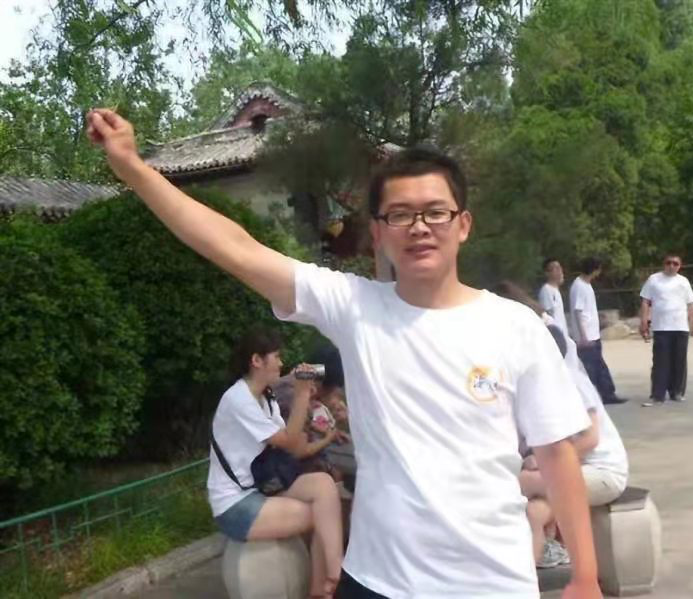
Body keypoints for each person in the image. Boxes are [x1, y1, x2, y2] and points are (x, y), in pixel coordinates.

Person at [87, 109, 602, 599]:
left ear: (463, 224)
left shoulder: (515, 326)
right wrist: (134, 168)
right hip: (377, 580)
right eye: (399, 215)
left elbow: (557, 455)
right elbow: (237, 248)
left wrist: (585, 575)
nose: (419, 227)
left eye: (435, 212)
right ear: (377, 233)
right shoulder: (355, 307)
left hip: (491, 582)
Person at [494, 282, 628, 569]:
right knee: (532, 511)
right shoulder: (522, 382)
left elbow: (590, 438)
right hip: (571, 469)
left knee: (506, 484)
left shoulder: (567, 378)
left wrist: (539, 460)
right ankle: (537, 563)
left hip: (601, 471)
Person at [207, 327, 343, 598]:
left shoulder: (265, 398)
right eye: (277, 356)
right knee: (321, 516)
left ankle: (328, 581)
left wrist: (305, 403)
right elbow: (291, 441)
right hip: (234, 504)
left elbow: (296, 444)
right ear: (256, 360)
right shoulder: (238, 399)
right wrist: (302, 395)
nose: (282, 363)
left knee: (324, 485)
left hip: (259, 489)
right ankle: (332, 580)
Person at [639, 253, 693, 407]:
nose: (672, 266)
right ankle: (658, 394)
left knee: (679, 361)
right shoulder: (654, 279)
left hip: (680, 326)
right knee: (660, 362)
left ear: (680, 266)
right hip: (661, 327)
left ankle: (676, 392)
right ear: (664, 264)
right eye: (669, 263)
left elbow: (690, 304)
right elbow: (645, 301)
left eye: (675, 264)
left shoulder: (683, 281)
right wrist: (644, 321)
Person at [569, 257, 627, 405]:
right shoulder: (579, 286)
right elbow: (578, 311)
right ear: (595, 270)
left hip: (592, 333)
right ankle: (591, 397)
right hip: (586, 336)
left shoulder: (586, 285)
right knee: (590, 368)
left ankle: (607, 394)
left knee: (599, 366)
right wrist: (583, 336)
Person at [538, 257, 569, 336]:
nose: (560, 271)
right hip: (555, 336)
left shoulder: (556, 290)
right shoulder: (546, 290)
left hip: (562, 335)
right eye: (556, 268)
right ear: (547, 273)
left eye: (560, 268)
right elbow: (547, 316)